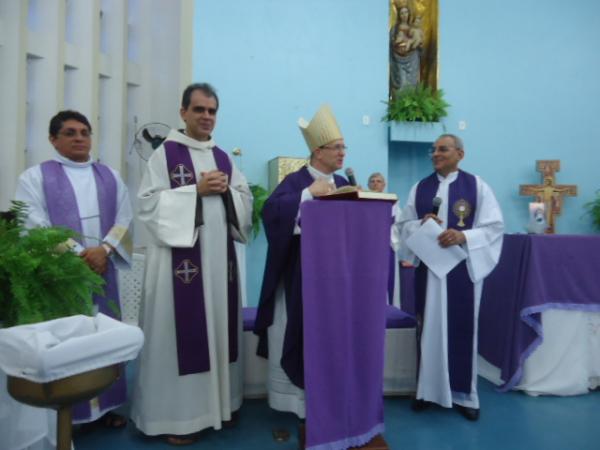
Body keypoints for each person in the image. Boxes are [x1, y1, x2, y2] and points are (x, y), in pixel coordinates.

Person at [130, 83, 252, 446]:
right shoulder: (164, 155)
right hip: (177, 269)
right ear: (183, 112)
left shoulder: (225, 158)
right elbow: (147, 207)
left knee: (219, 327)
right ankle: (180, 418)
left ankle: (221, 407)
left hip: (219, 266)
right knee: (177, 335)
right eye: (199, 109)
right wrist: (193, 192)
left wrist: (229, 192)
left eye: (212, 110)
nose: (206, 117)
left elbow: (244, 204)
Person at [14, 110, 133, 428]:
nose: (79, 138)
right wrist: (81, 254)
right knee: (71, 339)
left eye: (84, 132)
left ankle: (105, 406)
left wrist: (104, 250)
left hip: (102, 268)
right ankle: (69, 414)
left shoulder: (110, 175)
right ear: (53, 139)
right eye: (70, 133)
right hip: (63, 275)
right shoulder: (34, 177)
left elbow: (124, 218)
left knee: (101, 334)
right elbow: (33, 225)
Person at [395, 134, 504, 421]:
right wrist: (421, 224)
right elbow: (402, 227)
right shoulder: (420, 188)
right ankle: (427, 391)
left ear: (460, 153)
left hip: (461, 273)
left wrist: (463, 235)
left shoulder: (477, 187)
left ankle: (464, 395)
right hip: (428, 273)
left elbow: (494, 228)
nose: (435, 154)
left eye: (443, 149)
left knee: (461, 329)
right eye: (433, 150)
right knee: (428, 328)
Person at [254, 104, 349, 419]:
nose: (343, 153)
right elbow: (271, 213)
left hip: (332, 283)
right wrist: (308, 195)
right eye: (337, 147)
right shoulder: (296, 182)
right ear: (318, 151)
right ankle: (294, 403)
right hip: (298, 279)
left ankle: (326, 397)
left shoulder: (340, 185)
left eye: (344, 147)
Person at [390, 5, 422, 92]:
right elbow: (392, 43)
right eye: (402, 13)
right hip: (399, 59)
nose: (404, 15)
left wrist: (417, 44)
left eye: (406, 12)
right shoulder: (395, 29)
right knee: (402, 83)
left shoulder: (413, 28)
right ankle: (401, 103)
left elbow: (419, 42)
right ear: (399, 15)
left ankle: (411, 102)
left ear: (409, 14)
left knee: (412, 83)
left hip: (412, 59)